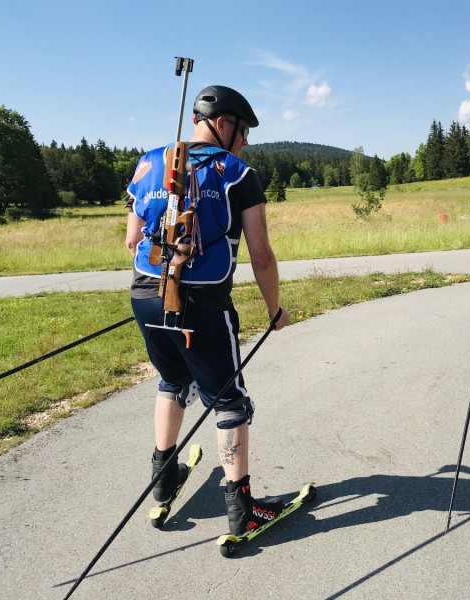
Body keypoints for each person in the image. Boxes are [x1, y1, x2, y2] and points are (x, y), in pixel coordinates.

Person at [124, 85, 291, 535]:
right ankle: (241, 508)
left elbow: (132, 241)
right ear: (221, 124)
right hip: (202, 304)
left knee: (173, 379)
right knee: (229, 400)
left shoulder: (147, 163)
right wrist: (275, 310)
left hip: (145, 294)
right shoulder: (238, 174)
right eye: (243, 131)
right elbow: (261, 255)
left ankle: (163, 478)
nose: (246, 142)